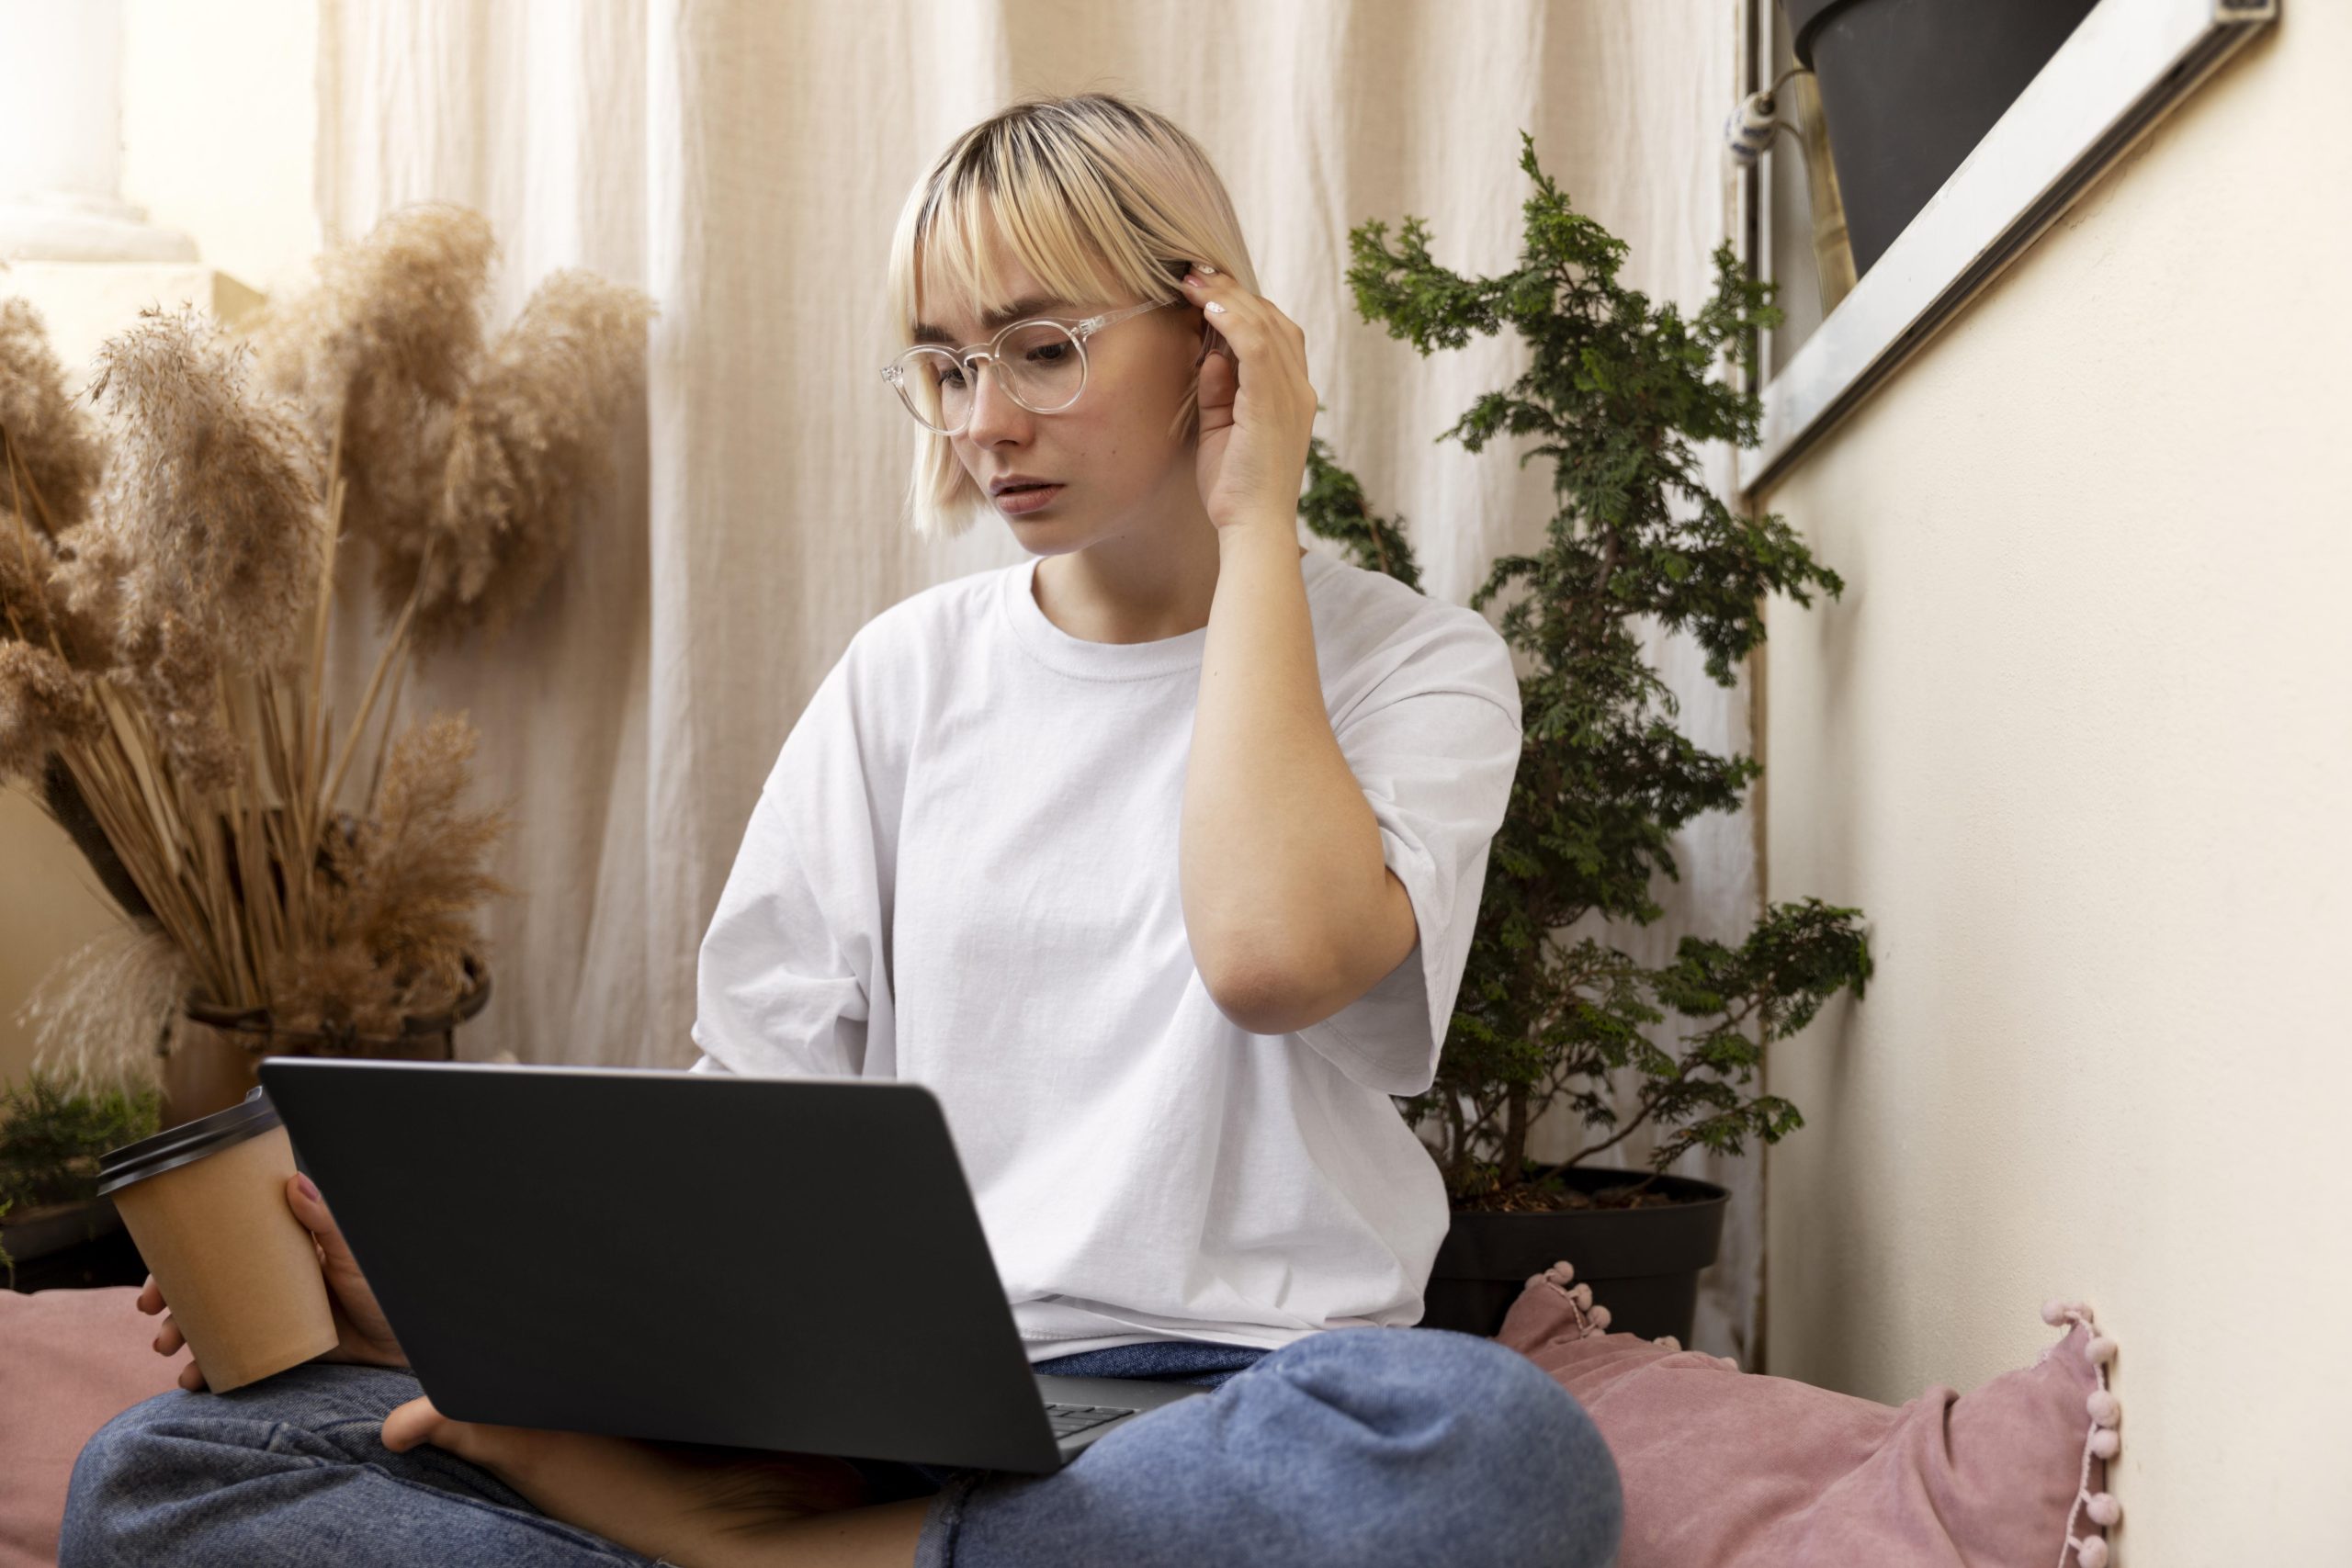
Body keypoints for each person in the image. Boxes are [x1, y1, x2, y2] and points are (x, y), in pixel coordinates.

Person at [61, 92, 1623, 1568]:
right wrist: (436, 1326)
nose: (984, 421)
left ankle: (745, 1558)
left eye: (1043, 348)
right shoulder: (903, 679)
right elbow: (756, 1137)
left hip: (1232, 1405)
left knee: (1487, 1445)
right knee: (158, 1477)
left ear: (1215, 338)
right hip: (875, 1421)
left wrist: (1257, 516)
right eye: (945, 365)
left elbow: (1277, 959)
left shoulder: (1417, 665)